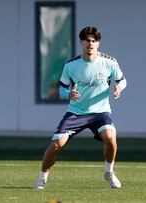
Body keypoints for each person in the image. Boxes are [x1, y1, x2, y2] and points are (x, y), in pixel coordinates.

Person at [34, 26, 127, 189]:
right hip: (76, 112)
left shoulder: (109, 62)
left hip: (100, 112)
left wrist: (119, 88)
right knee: (57, 144)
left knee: (111, 138)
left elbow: (122, 80)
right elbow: (62, 88)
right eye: (87, 40)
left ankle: (109, 173)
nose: (90, 43)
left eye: (93, 40)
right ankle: (42, 178)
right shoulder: (71, 65)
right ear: (81, 42)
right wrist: (68, 94)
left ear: (98, 43)